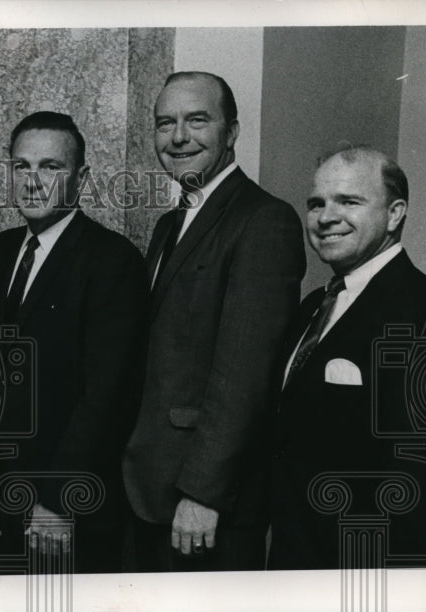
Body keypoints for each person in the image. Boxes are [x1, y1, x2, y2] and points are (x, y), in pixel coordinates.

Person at [122, 72, 305, 571]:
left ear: (232, 131)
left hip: (204, 505)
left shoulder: (264, 219)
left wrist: (203, 492)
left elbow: (245, 374)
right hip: (150, 489)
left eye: (197, 120)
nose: (178, 137)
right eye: (165, 123)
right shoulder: (170, 224)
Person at [0, 111, 148, 573]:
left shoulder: (112, 260)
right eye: (21, 166)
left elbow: (107, 395)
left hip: (67, 504)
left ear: (80, 178)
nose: (32, 181)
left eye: (50, 167)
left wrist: (58, 499)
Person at [269, 147, 426, 570]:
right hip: (293, 558)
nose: (326, 217)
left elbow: (418, 479)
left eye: (348, 201)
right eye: (316, 204)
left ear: (395, 214)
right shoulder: (313, 306)